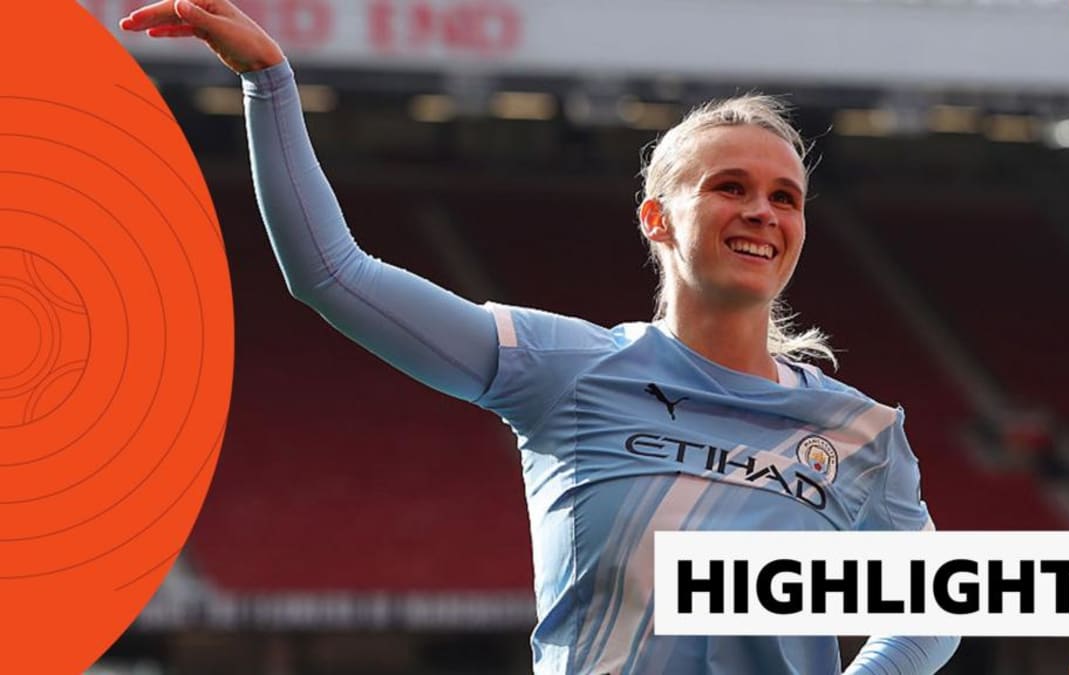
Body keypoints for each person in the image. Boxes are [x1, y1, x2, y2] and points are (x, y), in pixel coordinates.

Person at [122, 2, 961, 673]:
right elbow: (332, 274)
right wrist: (270, 82)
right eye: (730, 186)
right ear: (657, 218)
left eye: (787, 197)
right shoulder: (568, 370)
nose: (762, 213)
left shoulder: (859, 434)